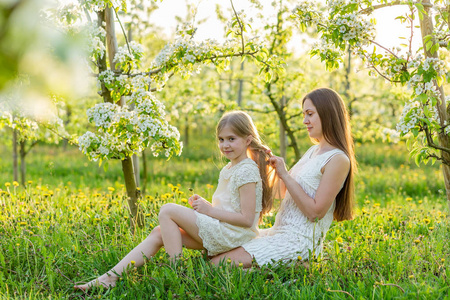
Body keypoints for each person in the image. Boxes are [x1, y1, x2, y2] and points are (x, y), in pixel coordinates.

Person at [74, 111, 277, 291]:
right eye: (221, 139)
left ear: (248, 140)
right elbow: (231, 206)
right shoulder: (231, 168)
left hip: (235, 234)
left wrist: (208, 211)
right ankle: (109, 278)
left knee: (168, 210)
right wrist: (207, 206)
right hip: (224, 228)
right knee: (159, 233)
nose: (225, 145)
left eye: (231, 139)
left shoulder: (247, 170)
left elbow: (247, 219)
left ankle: (177, 274)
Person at [209, 87, 356, 267]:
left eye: (310, 114)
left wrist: (285, 174)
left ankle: (300, 265)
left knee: (216, 265)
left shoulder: (338, 159)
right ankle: (283, 267)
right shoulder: (313, 151)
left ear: (328, 114)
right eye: (304, 114)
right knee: (211, 252)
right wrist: (265, 164)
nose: (305, 120)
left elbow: (315, 213)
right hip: (277, 232)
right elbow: (281, 193)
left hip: (298, 242)